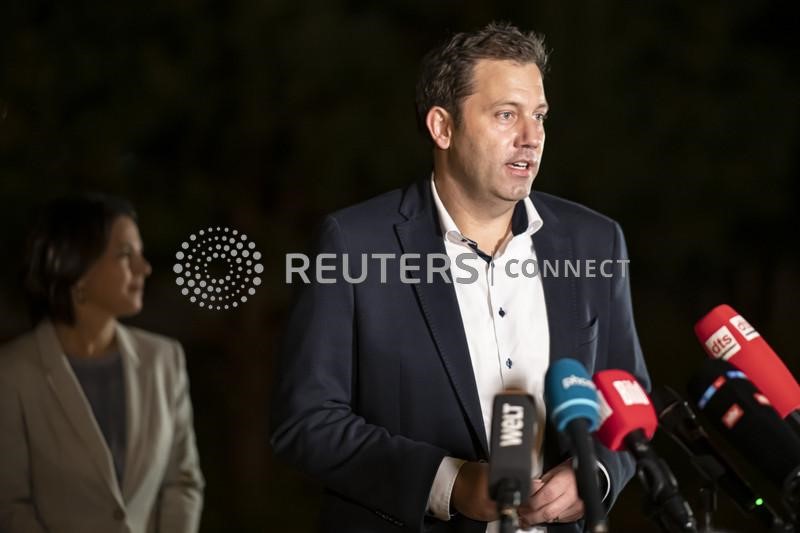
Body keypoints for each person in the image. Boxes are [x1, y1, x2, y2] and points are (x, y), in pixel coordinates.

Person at [271, 22, 650, 533]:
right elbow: (307, 422)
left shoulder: (595, 241)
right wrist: (448, 483)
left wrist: (598, 473)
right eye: (505, 115)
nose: (531, 137)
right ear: (442, 128)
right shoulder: (355, 243)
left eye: (538, 116)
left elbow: (628, 395)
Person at [0, 194, 204, 533]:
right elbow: (9, 503)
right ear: (77, 268)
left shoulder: (164, 361)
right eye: (126, 255)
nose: (144, 267)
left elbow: (182, 481)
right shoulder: (14, 374)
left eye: (140, 254)